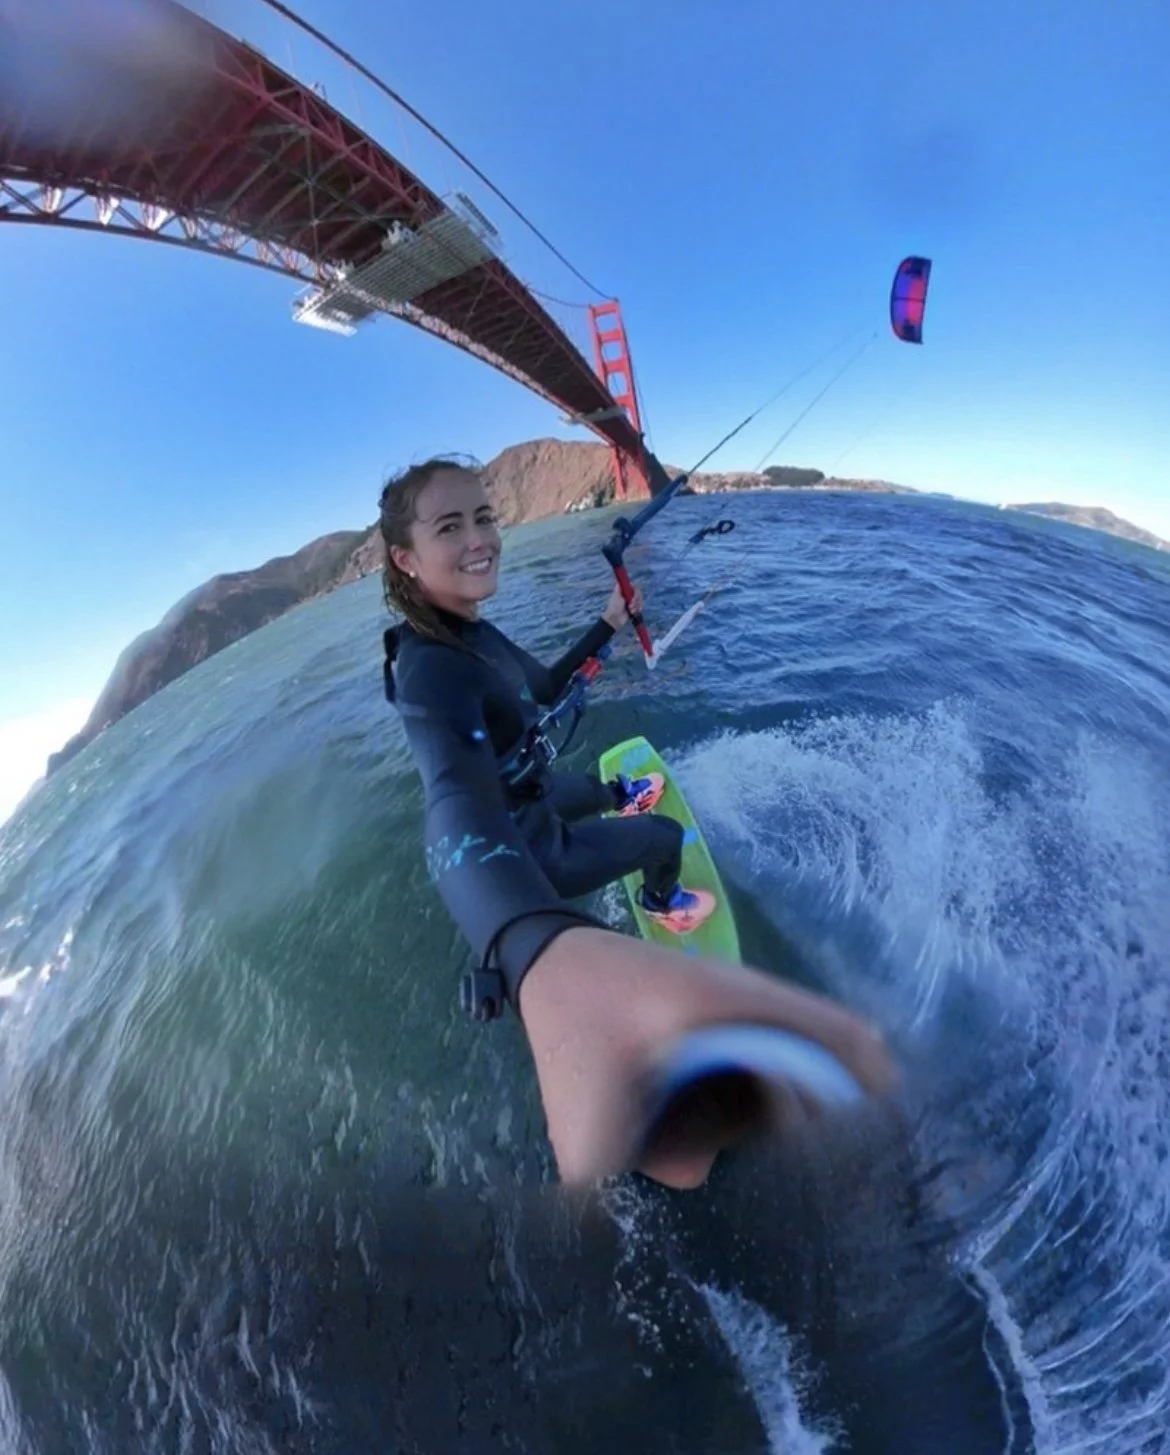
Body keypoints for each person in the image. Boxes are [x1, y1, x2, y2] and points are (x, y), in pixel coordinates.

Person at [380, 456, 898, 1190]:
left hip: (528, 793)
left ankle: (610, 800)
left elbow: (543, 687)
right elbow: (452, 807)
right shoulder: (429, 674)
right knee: (664, 838)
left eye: (485, 517)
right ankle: (660, 899)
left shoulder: (470, 630)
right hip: (519, 840)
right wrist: (515, 939)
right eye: (450, 526)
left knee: (600, 785)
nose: (479, 538)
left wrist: (608, 623)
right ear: (406, 556)